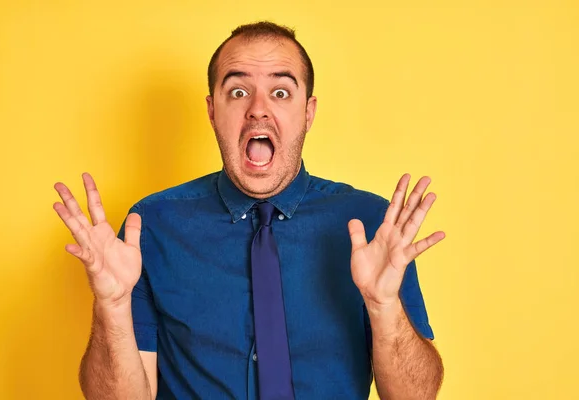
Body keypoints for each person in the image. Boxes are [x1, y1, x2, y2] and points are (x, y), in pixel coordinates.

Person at [53, 21, 445, 400]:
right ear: (211, 110)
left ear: (308, 113)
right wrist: (113, 306)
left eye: (280, 92)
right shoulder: (151, 226)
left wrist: (384, 305)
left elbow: (416, 396)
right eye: (238, 92)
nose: (258, 109)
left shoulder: (371, 224)